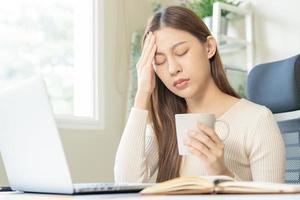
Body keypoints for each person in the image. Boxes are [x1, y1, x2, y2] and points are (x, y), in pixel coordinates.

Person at [114, 6, 285, 183]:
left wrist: (222, 173)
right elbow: (125, 182)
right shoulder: (165, 123)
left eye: (181, 52)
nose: (173, 69)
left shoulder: (257, 120)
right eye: (160, 61)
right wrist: (142, 93)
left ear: (209, 47)